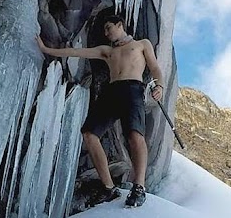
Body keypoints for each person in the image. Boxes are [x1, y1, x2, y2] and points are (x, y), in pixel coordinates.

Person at [36, 15, 164, 207]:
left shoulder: (141, 44)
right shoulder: (106, 51)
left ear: (120, 25)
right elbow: (77, 52)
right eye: (105, 30)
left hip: (133, 89)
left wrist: (160, 86)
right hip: (111, 91)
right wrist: (46, 49)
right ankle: (108, 187)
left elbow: (155, 68)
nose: (106, 33)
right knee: (89, 134)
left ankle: (139, 186)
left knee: (134, 135)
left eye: (108, 27)